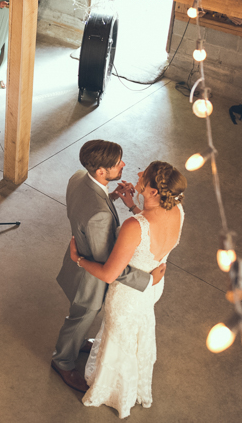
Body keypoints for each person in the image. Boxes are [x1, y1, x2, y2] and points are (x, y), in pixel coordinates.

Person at [68, 159, 186, 418]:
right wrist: (132, 205)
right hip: (153, 286)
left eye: (146, 174)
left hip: (127, 296)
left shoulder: (134, 227)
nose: (140, 172)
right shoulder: (177, 210)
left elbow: (110, 274)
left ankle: (113, 391)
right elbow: (152, 233)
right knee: (135, 333)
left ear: (154, 191)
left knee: (119, 338)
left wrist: (79, 259)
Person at [51, 140, 163, 393]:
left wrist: (112, 196)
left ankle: (76, 343)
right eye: (117, 164)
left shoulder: (79, 177)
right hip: (88, 282)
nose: (123, 165)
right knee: (79, 318)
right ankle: (62, 361)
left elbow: (89, 205)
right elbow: (108, 263)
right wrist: (147, 279)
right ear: (102, 171)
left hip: (76, 260)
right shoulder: (99, 215)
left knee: (78, 319)